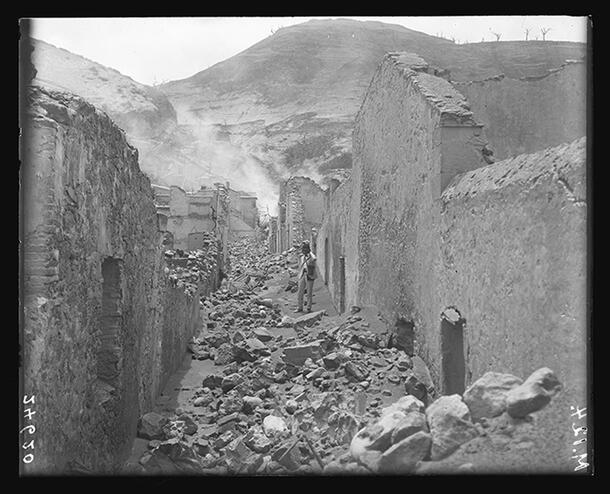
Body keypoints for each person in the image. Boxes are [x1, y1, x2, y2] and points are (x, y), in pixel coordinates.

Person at [296, 241, 317, 313]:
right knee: (300, 292)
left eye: (305, 249)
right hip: (303, 275)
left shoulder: (311, 257)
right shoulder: (302, 257)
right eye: (303, 249)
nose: (303, 251)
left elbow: (314, 258)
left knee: (309, 293)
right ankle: (300, 307)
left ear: (308, 250)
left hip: (310, 275)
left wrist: (310, 252)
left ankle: (308, 308)